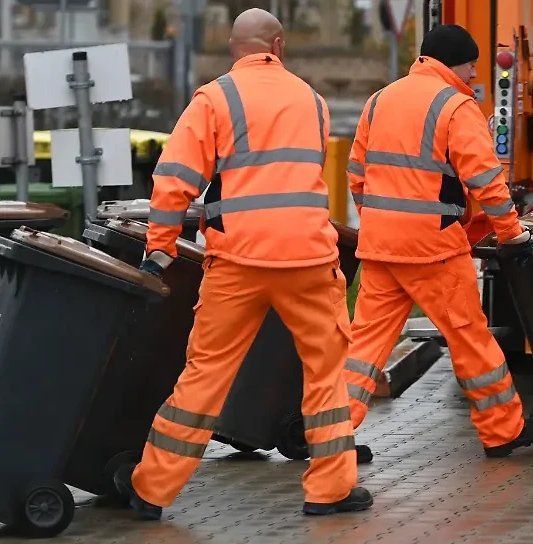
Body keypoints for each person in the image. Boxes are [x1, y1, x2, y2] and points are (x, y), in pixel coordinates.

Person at [112, 8, 373, 519]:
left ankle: (151, 489)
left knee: (205, 374)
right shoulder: (312, 101)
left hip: (237, 261)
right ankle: (331, 490)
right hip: (307, 260)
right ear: (277, 44)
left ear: (235, 47)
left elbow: (175, 178)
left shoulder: (215, 98)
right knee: (324, 374)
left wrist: (160, 248)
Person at [343, 24, 533, 458]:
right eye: (472, 64)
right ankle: (502, 430)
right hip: (432, 249)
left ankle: (330, 437)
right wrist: (513, 235)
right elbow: (488, 181)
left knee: (363, 347)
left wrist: (380, 221)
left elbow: (356, 175)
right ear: (456, 61)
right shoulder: (455, 107)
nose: (474, 73)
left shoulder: (380, 100)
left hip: (380, 248)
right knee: (469, 337)